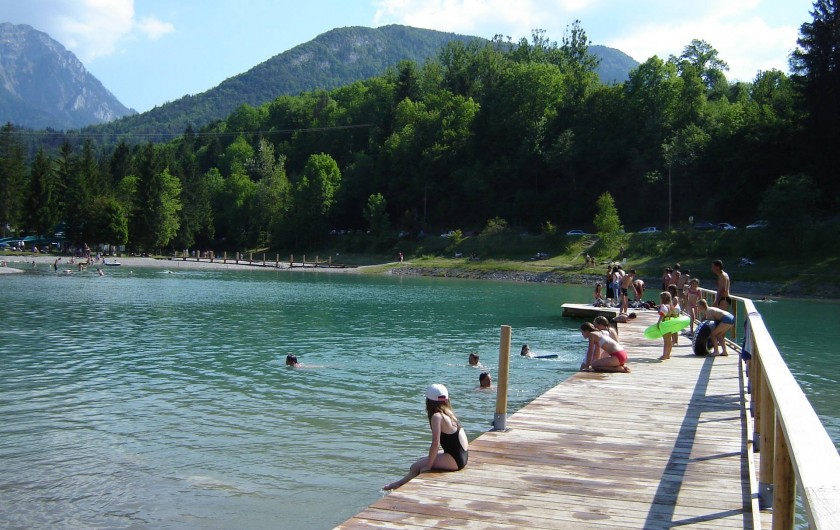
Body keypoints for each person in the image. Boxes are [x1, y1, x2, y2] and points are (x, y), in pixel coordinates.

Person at [383, 384, 468, 490]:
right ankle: (403, 484)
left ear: (429, 401)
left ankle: (398, 486)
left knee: (414, 467)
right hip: (462, 457)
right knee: (423, 459)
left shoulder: (437, 416)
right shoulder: (449, 413)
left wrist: (428, 466)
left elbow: (435, 444)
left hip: (454, 460)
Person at [656, 291, 675, 361]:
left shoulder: (664, 306)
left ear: (663, 299)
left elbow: (662, 315)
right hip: (669, 323)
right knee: (669, 340)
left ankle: (664, 355)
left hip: (664, 324)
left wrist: (658, 323)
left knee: (665, 341)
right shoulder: (670, 306)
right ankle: (668, 354)